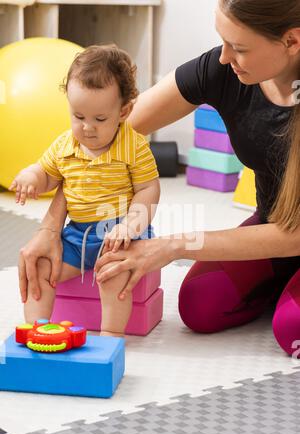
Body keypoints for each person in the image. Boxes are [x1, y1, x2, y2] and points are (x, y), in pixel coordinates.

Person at [18, 0, 300, 352]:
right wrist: (50, 227)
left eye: (239, 48)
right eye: (223, 41)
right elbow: (98, 146)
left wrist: (168, 246)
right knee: (200, 306)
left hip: (294, 234)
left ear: (292, 41)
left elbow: (296, 234)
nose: (224, 57)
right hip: (274, 227)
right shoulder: (222, 68)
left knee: (292, 330)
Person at [10, 44, 160, 337]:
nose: (87, 128)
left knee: (113, 273)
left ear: (123, 111)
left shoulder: (134, 146)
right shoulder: (65, 145)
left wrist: (131, 225)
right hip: (77, 235)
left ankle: (110, 338)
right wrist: (30, 176)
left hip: (120, 235)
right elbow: (47, 175)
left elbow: (148, 189)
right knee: (40, 265)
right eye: (78, 116)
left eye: (99, 119)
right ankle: (38, 330)